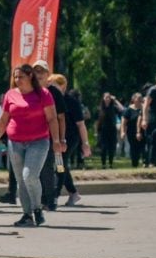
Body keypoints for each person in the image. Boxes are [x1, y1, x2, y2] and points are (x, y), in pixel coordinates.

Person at [0, 64, 60, 227]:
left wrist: (56, 140)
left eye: (20, 76)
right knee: (21, 179)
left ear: (30, 76)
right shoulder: (10, 95)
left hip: (39, 142)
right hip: (15, 143)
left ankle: (37, 209)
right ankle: (27, 214)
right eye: (15, 77)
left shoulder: (43, 94)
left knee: (30, 176)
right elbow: (3, 120)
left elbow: (52, 119)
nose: (16, 80)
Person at [48, 74, 89, 206]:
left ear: (62, 86)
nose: (50, 88)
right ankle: (73, 193)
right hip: (55, 137)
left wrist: (85, 143)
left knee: (60, 165)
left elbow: (81, 124)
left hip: (69, 139)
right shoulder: (49, 100)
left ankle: (55, 195)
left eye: (53, 85)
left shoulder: (72, 102)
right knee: (62, 166)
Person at [32, 60, 67, 211]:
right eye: (36, 71)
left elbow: (60, 118)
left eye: (41, 72)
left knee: (48, 169)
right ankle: (39, 199)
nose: (38, 74)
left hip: (50, 137)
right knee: (35, 170)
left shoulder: (54, 93)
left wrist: (60, 139)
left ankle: (50, 199)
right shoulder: (29, 90)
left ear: (48, 74)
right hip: (32, 136)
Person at [95, 93, 123, 169]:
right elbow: (96, 121)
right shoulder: (99, 109)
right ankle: (103, 164)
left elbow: (122, 109)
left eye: (109, 98)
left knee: (112, 148)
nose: (107, 99)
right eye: (106, 97)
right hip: (102, 131)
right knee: (103, 148)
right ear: (103, 98)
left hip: (112, 130)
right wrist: (96, 132)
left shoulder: (114, 108)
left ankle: (111, 163)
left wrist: (115, 100)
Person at [121, 93, 143, 167]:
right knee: (134, 148)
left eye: (141, 98)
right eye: (138, 98)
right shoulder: (128, 110)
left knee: (142, 147)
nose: (140, 99)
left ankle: (145, 163)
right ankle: (134, 164)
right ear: (133, 99)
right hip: (131, 132)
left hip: (143, 131)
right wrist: (123, 132)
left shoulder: (143, 109)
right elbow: (124, 122)